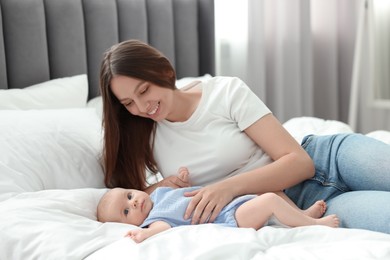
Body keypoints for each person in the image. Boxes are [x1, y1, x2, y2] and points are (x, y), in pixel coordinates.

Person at [99, 39, 390, 234]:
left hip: (329, 157)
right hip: (297, 207)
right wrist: (160, 186)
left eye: (144, 91)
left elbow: (301, 163)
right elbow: (130, 197)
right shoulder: (142, 135)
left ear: (164, 72)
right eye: (127, 103)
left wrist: (226, 188)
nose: (141, 107)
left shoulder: (224, 92)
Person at [97, 167, 339, 243]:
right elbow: (163, 229)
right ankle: (314, 224)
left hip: (229, 202)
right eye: (126, 211)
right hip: (227, 218)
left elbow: (184, 195)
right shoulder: (155, 218)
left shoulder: (159, 194)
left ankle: (300, 214)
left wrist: (182, 182)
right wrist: (143, 234)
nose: (135, 201)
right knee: (270, 201)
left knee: (270, 191)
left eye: (129, 195)